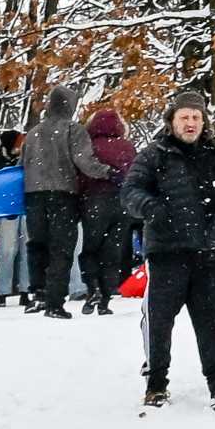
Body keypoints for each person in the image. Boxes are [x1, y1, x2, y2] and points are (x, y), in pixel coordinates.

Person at [121, 90, 215, 409]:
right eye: (184, 117)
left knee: (210, 320)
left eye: (196, 118)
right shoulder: (155, 154)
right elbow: (130, 191)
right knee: (161, 321)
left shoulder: (213, 155)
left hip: (208, 252)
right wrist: (151, 207)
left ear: (204, 123)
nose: (191, 123)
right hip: (168, 252)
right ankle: (156, 384)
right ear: (172, 121)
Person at [20, 86, 113, 318]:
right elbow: (84, 162)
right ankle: (54, 302)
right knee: (61, 248)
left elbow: (22, 166)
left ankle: (37, 294)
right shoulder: (73, 130)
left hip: (33, 195)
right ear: (69, 106)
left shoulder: (33, 133)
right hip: (62, 195)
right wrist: (108, 172)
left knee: (37, 244)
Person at [77, 109, 136, 314]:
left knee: (91, 249)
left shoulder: (90, 147)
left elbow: (82, 176)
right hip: (122, 204)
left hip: (94, 202)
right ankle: (105, 299)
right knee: (112, 251)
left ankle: (92, 288)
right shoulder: (128, 148)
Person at [0, 130, 31, 308]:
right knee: (7, 250)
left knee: (27, 249)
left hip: (26, 207)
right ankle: (3, 291)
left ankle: (25, 290)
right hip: (7, 209)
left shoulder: (28, 156)